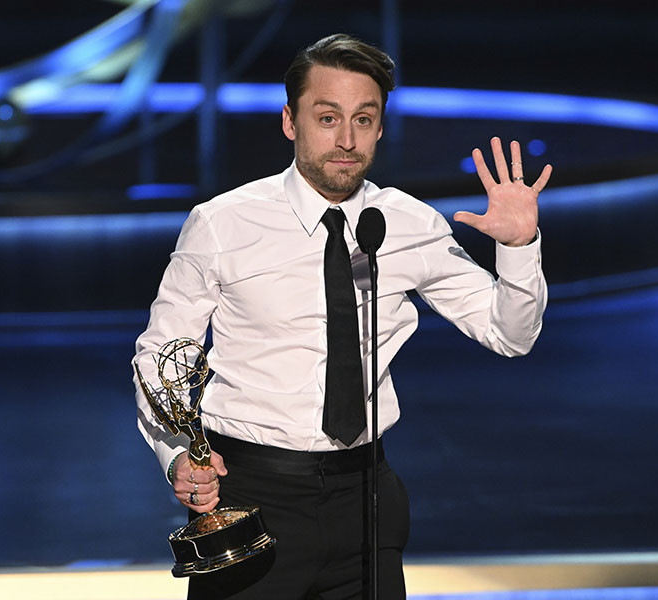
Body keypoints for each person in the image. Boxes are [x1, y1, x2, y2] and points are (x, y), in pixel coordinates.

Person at [133, 33, 552, 600]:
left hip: (368, 503)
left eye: (364, 119)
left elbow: (511, 335)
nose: (347, 139)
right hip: (253, 498)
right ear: (290, 121)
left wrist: (520, 246)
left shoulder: (410, 225)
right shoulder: (221, 224)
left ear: (380, 127)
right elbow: (160, 354)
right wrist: (178, 454)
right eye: (327, 117)